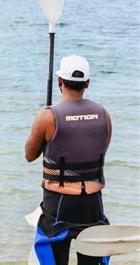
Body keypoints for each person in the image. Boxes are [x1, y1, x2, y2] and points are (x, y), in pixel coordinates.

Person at [25, 55, 112, 265]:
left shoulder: (47, 116)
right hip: (93, 206)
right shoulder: (103, 114)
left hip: (58, 205)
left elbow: (30, 155)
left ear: (59, 82)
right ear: (87, 83)